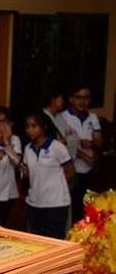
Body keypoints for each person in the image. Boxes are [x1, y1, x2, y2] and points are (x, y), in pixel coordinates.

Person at [20, 111, 75, 239]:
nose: (30, 130)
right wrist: (25, 172)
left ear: (44, 127)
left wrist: (59, 188)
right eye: (27, 127)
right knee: (36, 240)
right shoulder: (28, 148)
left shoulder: (57, 147)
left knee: (56, 238)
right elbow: (31, 176)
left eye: (34, 126)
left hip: (56, 204)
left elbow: (70, 171)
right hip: (34, 203)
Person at [58, 85, 103, 223]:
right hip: (72, 169)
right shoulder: (63, 117)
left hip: (89, 170)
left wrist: (92, 144)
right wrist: (85, 156)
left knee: (88, 207)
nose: (82, 101)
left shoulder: (92, 117)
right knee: (72, 208)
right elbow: (64, 145)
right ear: (71, 99)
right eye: (78, 97)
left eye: (86, 98)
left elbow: (99, 141)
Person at [41, 87, 78, 158]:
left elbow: (75, 136)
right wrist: (67, 139)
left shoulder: (60, 117)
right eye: (61, 98)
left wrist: (65, 140)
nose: (63, 101)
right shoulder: (41, 118)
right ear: (53, 100)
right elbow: (46, 143)